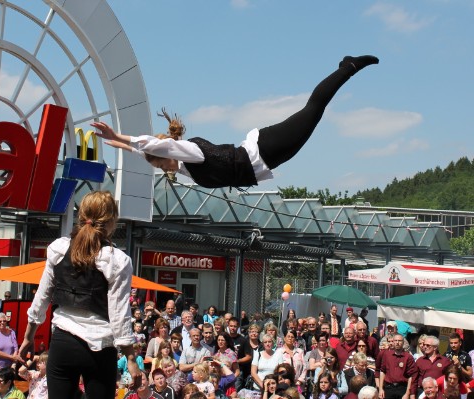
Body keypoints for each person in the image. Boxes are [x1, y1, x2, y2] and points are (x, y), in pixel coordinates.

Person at [93, 55, 379, 189]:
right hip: (267, 163)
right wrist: (117, 143)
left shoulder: (188, 152)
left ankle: (348, 67)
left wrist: (119, 133)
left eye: (161, 164)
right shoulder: (184, 170)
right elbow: (145, 150)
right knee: (314, 115)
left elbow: (152, 145)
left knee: (314, 109)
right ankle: (346, 68)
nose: (165, 168)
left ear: (166, 154)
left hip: (262, 149)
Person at [19, 191, 142, 399]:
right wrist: (130, 357)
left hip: (63, 343)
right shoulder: (117, 260)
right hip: (100, 347)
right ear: (112, 221)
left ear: (81, 215)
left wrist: (28, 337)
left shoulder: (58, 248)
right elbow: (119, 313)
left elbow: (42, 297)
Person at [378, 334, 416, 399]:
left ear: (403, 342)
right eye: (395, 340)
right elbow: (382, 371)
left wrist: (407, 393)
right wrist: (381, 389)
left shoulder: (408, 357)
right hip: (389, 388)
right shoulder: (387, 355)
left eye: (400, 341)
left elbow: (411, 376)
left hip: (402, 388)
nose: (397, 343)